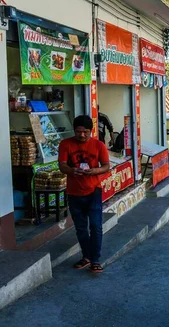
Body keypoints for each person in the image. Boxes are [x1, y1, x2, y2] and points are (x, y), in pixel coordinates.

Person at [58, 115, 110, 273]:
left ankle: (96, 259)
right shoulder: (65, 144)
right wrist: (72, 170)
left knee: (95, 226)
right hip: (74, 193)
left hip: (93, 190)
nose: (82, 135)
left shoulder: (98, 145)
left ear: (91, 131)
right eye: (78, 131)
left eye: (85, 132)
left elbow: (106, 166)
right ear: (74, 130)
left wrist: (94, 171)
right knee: (81, 228)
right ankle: (86, 256)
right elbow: (62, 165)